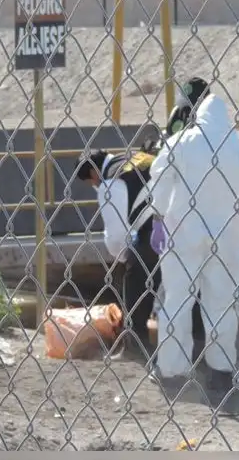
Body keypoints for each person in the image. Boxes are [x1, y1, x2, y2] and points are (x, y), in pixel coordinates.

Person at [148, 92, 239, 393]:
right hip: (226, 236)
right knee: (221, 304)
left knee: (176, 302)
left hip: (183, 233)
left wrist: (158, 218)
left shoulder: (182, 143)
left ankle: (173, 371)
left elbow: (159, 178)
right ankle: (221, 371)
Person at [75, 149, 206, 361]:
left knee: (136, 281)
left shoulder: (111, 182)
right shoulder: (138, 155)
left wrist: (128, 259)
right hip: (189, 222)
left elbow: (117, 236)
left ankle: (136, 345)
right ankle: (200, 345)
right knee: (190, 287)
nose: (94, 185)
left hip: (155, 231)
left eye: (91, 181)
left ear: (93, 172)